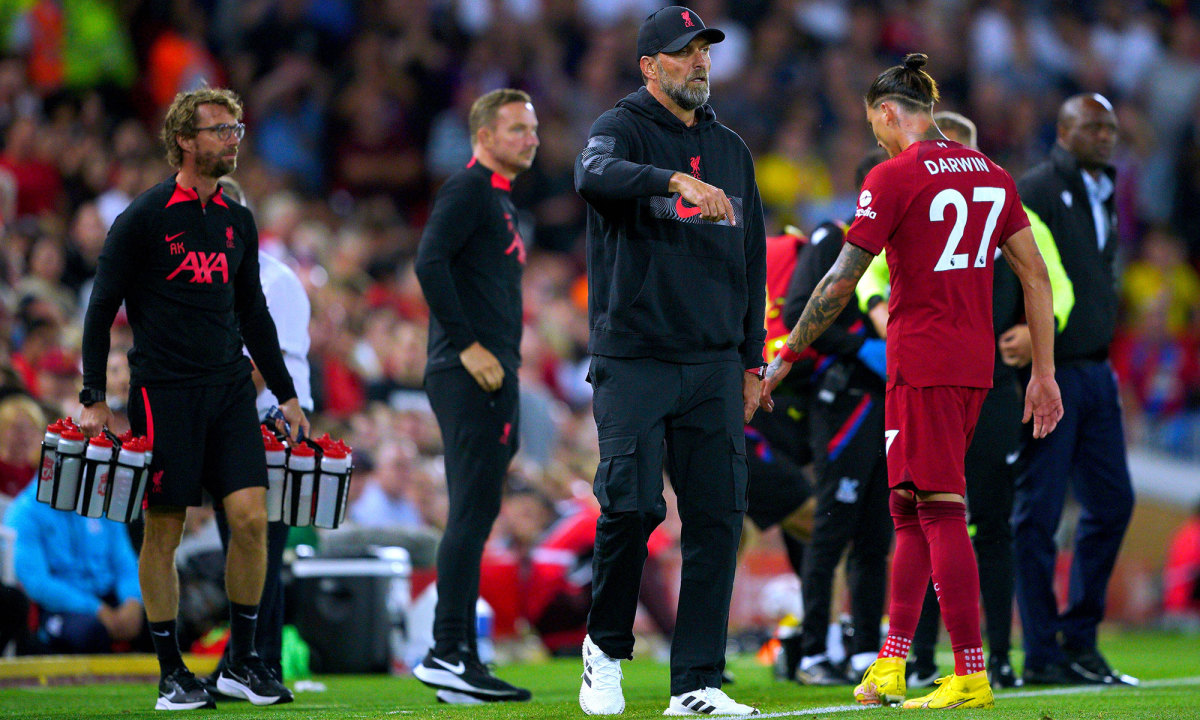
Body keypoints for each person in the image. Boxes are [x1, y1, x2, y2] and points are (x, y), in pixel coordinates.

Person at [761, 54, 1063, 711]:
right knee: (909, 509)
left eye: (875, 124)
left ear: (890, 112)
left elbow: (841, 279)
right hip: (971, 365)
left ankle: (971, 672)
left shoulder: (894, 175)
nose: (876, 137)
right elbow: (1036, 276)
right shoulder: (993, 174)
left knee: (942, 509)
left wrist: (786, 353)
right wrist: (1044, 372)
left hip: (923, 364)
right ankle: (893, 662)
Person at [79, 86, 308, 711]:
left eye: (236, 130)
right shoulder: (144, 216)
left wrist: (286, 394)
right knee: (164, 530)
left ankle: (242, 661)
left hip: (230, 390)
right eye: (219, 130)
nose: (233, 140)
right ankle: (171, 671)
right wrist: (94, 395)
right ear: (184, 139)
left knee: (252, 522)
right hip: (165, 392)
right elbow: (101, 309)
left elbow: (254, 313)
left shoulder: (238, 220)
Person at [573, 6, 767, 715]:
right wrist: (671, 181)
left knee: (718, 520)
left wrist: (752, 361)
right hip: (636, 356)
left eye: (705, 50)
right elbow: (592, 175)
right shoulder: (619, 127)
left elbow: (752, 261)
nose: (700, 62)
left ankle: (697, 682)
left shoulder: (732, 149)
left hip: (714, 363)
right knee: (630, 507)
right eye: (685, 53)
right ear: (649, 66)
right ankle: (604, 650)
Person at [906, 111, 1075, 690]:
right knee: (932, 517)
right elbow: (876, 279)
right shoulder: (916, 204)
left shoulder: (1012, 209)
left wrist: (1038, 332)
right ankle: (922, 657)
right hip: (939, 382)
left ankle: (997, 656)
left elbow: (1056, 287)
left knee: (988, 523)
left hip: (994, 388)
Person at [411, 88, 539, 704]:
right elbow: (429, 262)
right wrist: (466, 346)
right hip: (469, 372)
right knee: (470, 511)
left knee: (478, 511)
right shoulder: (467, 189)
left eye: (532, 129)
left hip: (492, 371)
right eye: (516, 129)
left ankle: (459, 656)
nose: (531, 139)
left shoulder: (500, 198)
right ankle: (448, 650)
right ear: (483, 136)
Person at [1011, 93, 1137, 687]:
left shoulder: (1104, 189)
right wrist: (1017, 330)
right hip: (1052, 370)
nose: (1106, 136)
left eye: (1110, 128)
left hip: (1097, 372)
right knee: (1037, 514)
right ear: (1063, 132)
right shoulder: (1035, 188)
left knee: (1113, 503)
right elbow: (1011, 264)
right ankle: (1042, 653)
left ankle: (1079, 641)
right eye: (1093, 127)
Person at [197, 175, 312, 701]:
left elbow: (264, 365)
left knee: (261, 539)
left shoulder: (276, 280)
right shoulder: (207, 277)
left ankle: (259, 660)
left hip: (271, 419)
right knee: (240, 543)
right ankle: (242, 661)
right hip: (230, 415)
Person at [784, 150, 892, 688]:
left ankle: (865, 649)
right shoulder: (834, 238)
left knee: (876, 533)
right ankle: (812, 653)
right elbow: (797, 315)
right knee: (831, 529)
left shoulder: (900, 247)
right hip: (845, 402)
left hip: (888, 401)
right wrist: (862, 348)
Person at [5, 482, 145, 654]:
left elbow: (126, 564)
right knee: (90, 632)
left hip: (110, 598)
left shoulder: (101, 504)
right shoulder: (25, 512)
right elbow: (37, 583)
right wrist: (96, 609)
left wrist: (132, 600)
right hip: (59, 608)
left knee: (160, 622)